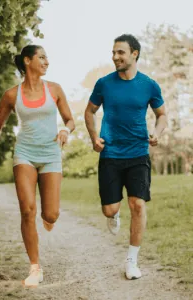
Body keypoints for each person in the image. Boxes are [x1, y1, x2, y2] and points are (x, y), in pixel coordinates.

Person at [0, 45, 75, 287]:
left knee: (51, 214)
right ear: (28, 61)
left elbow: (69, 119)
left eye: (48, 57)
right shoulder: (11, 95)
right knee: (27, 210)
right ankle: (35, 268)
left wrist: (65, 130)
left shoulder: (54, 89)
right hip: (24, 153)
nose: (47, 61)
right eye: (42, 57)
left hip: (50, 154)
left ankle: (49, 218)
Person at [84, 34, 167, 280]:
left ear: (134, 54)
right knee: (110, 209)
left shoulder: (149, 85)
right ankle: (114, 214)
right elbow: (90, 112)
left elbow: (162, 115)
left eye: (120, 52)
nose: (115, 57)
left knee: (138, 205)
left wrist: (157, 132)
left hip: (138, 153)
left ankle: (131, 260)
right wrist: (93, 137)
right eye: (113, 52)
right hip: (110, 154)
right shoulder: (104, 84)